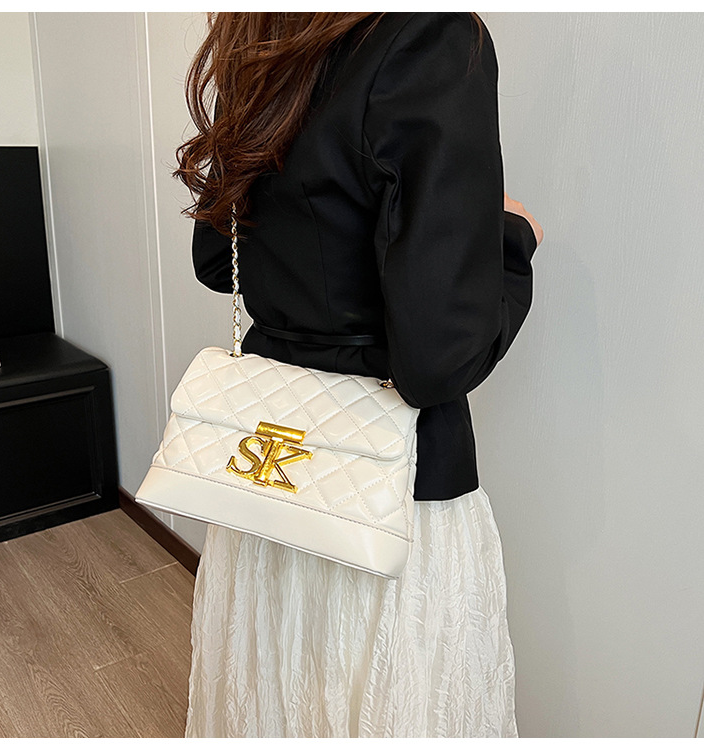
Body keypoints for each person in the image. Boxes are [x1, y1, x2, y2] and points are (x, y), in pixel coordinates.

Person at [175, 12, 543, 738]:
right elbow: (438, 359)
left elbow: (218, 261)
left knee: (271, 704)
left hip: (267, 476)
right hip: (390, 497)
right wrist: (512, 240)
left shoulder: (263, 37)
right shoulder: (432, 35)